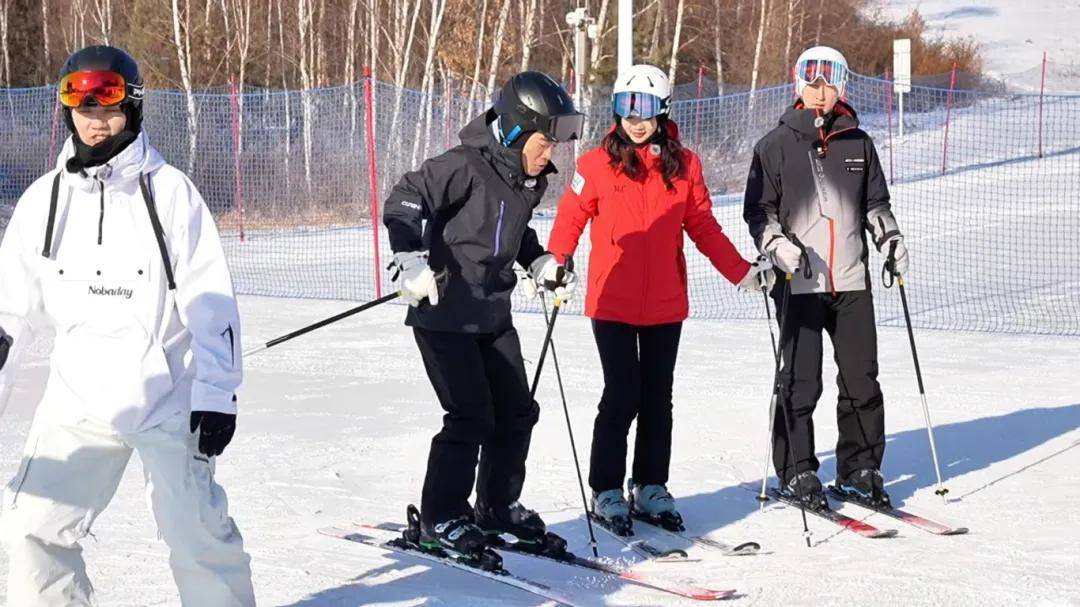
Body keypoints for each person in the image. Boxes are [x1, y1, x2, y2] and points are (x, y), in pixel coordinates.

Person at [0, 46, 255, 605]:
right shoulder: (44, 200)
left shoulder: (170, 194)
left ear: (134, 106)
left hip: (164, 397)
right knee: (32, 530)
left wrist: (218, 393)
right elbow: (8, 315)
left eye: (109, 103)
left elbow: (211, 303)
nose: (95, 119)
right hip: (78, 401)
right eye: (80, 104)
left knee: (197, 536)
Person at [547, 64, 773, 536]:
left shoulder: (685, 165)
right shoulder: (595, 165)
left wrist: (741, 272)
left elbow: (704, 226)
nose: (635, 118)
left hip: (665, 305)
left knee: (657, 399)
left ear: (662, 110)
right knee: (622, 393)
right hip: (611, 301)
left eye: (645, 107)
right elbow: (570, 218)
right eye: (626, 106)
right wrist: (556, 261)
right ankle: (607, 489)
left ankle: (649, 486)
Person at [382, 71, 581, 559]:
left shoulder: (522, 178)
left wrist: (539, 261)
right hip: (444, 314)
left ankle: (496, 508)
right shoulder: (463, 165)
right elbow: (404, 199)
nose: (549, 153)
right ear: (513, 130)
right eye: (543, 141)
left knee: (517, 412)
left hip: (493, 314)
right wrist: (409, 260)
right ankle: (441, 516)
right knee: (470, 416)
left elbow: (511, 232)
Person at [743, 46, 910, 511]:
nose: (821, 93)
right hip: (800, 281)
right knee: (800, 382)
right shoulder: (774, 145)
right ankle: (797, 470)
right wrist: (776, 246)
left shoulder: (859, 142)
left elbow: (876, 204)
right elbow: (759, 212)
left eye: (829, 84)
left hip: (852, 279)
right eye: (812, 84)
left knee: (861, 379)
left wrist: (891, 240)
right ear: (799, 86)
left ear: (842, 87)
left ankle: (860, 468)